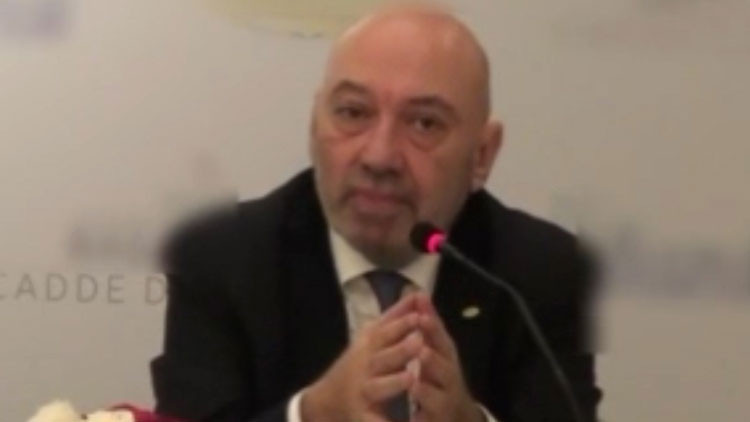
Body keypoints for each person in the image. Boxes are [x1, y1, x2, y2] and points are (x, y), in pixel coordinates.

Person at [151, 5, 602, 422]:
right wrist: (312, 415)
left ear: (482, 155)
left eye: (424, 123)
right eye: (353, 113)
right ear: (314, 124)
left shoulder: (541, 274)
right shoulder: (221, 259)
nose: (379, 156)